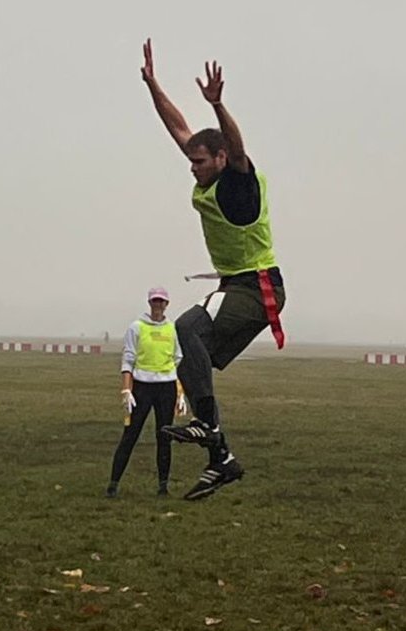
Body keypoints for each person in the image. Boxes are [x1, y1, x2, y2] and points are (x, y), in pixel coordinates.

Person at [139, 39, 286, 501]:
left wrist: (220, 105)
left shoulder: (238, 182)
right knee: (192, 355)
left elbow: (237, 146)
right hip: (237, 288)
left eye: (200, 162)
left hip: (257, 288)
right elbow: (179, 127)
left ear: (221, 159)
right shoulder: (204, 165)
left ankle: (205, 423)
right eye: (191, 162)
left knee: (186, 328)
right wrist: (152, 85)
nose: (193, 169)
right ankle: (220, 458)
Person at [107, 287, 184, 498]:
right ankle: (113, 485)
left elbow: (177, 359)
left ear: (166, 304)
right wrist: (126, 389)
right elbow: (128, 359)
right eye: (154, 301)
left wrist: (180, 392)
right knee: (130, 435)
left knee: (164, 436)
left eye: (161, 302)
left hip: (166, 388)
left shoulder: (172, 328)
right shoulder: (136, 327)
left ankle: (163, 486)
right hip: (142, 387)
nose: (158, 305)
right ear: (149, 303)